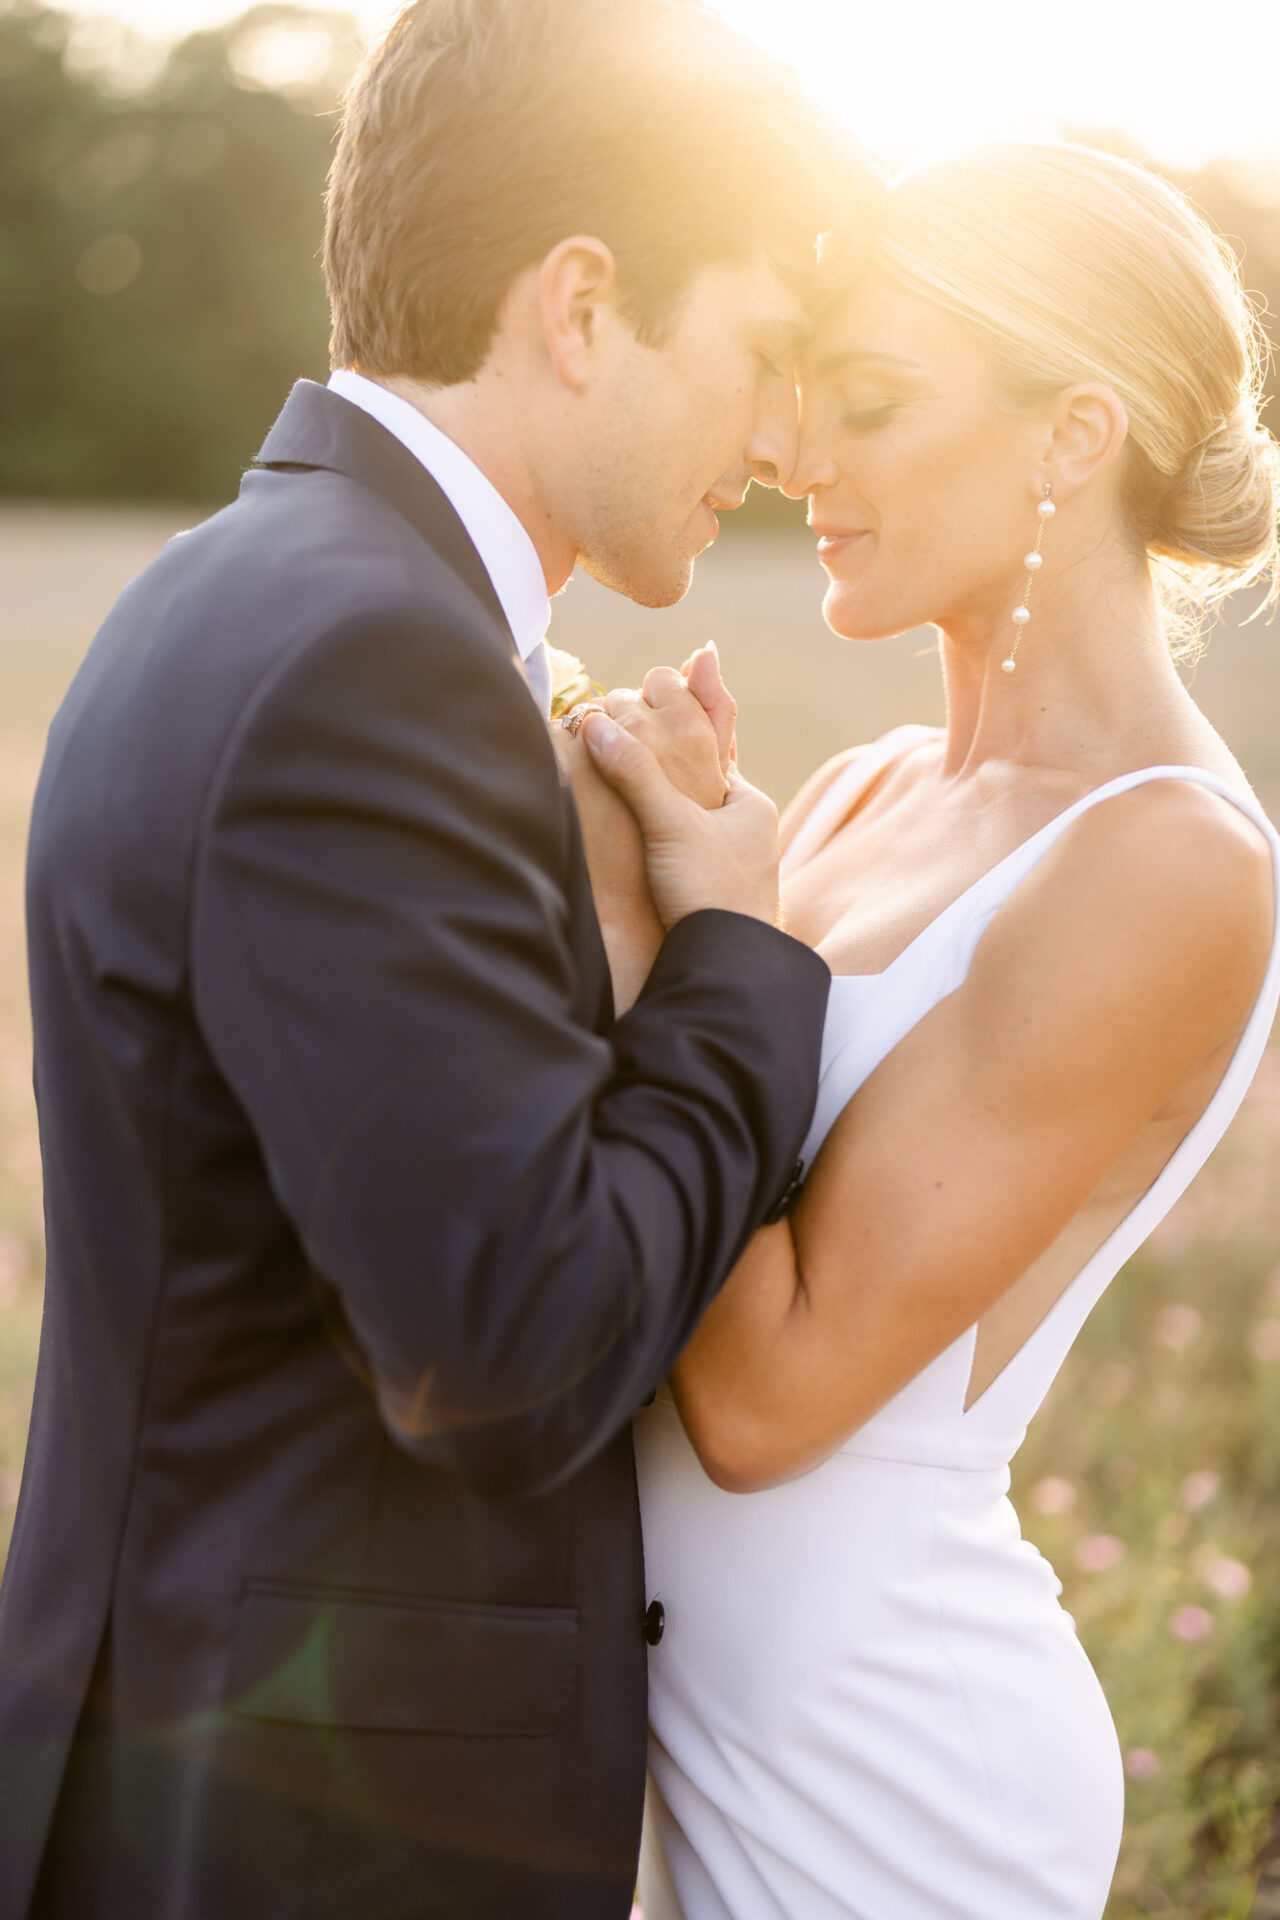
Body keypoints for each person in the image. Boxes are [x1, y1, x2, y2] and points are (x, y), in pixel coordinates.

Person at [0, 4, 868, 1915]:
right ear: (582, 306)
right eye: (763, 358)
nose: (788, 444)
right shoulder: (370, 664)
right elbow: (513, 1344)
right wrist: (731, 943)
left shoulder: (247, 585)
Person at [564, 143, 1280, 1918]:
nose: (800, 457)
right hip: (685, 1729)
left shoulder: (1170, 862)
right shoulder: (870, 789)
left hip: (887, 1783)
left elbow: (761, 1397)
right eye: (809, 401)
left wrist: (663, 914)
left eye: (871, 404)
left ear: (1072, 433)